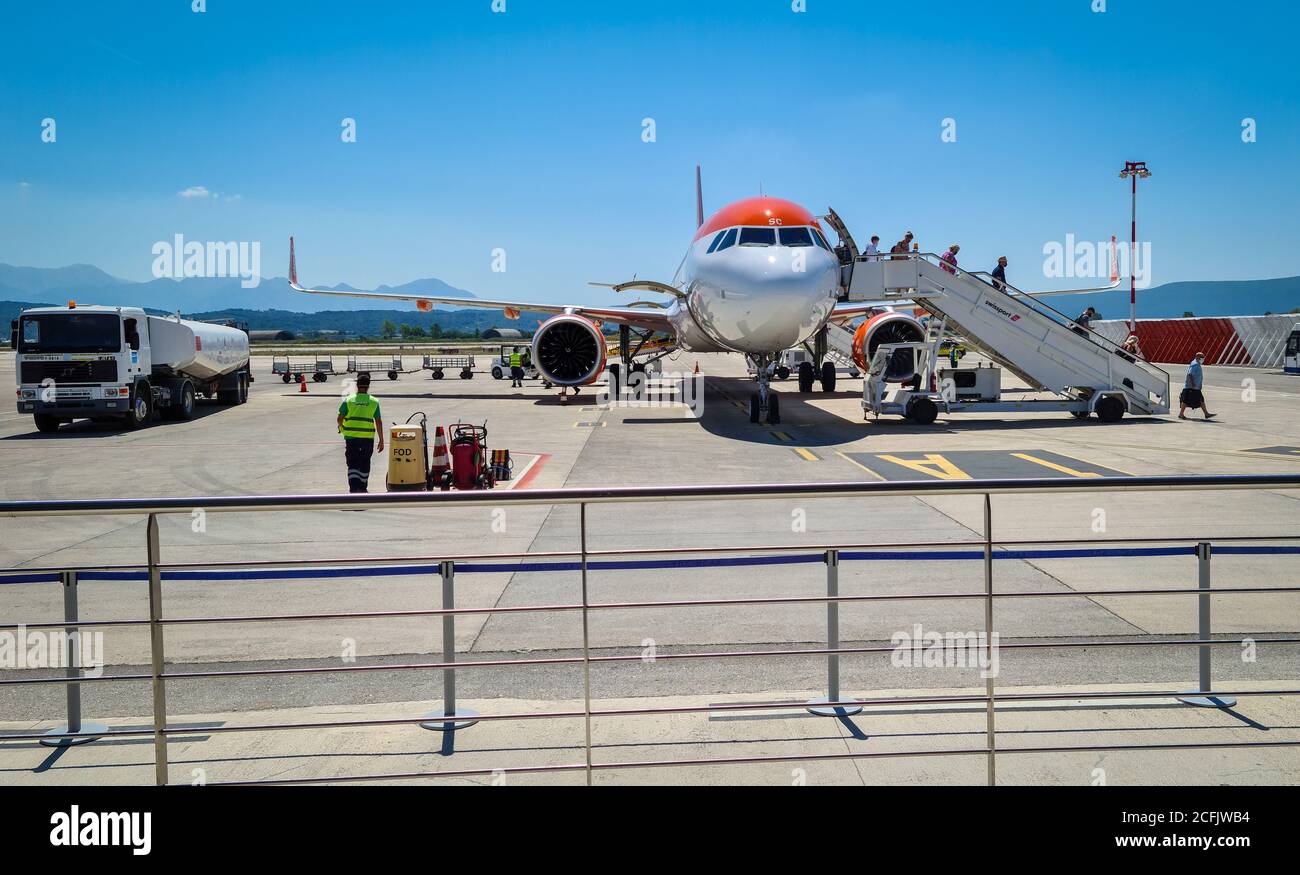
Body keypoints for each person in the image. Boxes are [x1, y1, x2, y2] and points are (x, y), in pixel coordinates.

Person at [337, 372, 384, 494]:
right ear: (368, 386)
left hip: (351, 438)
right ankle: (362, 488)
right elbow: (378, 421)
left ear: (357, 386)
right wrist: (381, 440)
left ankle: (353, 488)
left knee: (352, 462)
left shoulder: (349, 400)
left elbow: (339, 418)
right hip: (367, 438)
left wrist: (343, 430)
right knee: (364, 462)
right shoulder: (374, 401)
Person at [1179, 352, 1216, 420]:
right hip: (1192, 387)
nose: (1203, 359)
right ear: (1197, 357)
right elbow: (1190, 374)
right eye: (1202, 358)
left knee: (1188, 400)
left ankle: (1181, 414)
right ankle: (1206, 414)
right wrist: (1193, 383)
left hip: (1194, 387)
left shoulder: (1196, 363)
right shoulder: (1195, 364)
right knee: (1197, 400)